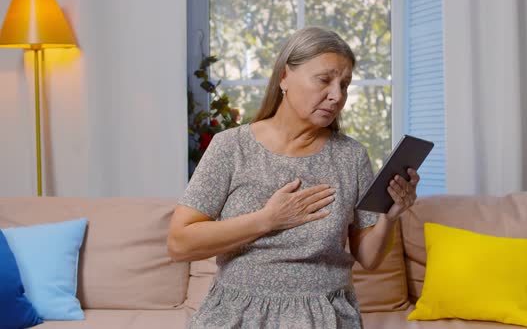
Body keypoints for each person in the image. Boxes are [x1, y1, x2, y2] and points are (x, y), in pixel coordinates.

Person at [168, 27, 420, 329]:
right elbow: (179, 243)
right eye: (324, 80)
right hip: (236, 314)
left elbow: (369, 257)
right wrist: (268, 219)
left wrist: (390, 218)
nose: (337, 96)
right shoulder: (230, 147)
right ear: (284, 77)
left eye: (345, 84)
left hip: (324, 316)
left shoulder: (351, 156)